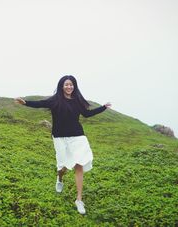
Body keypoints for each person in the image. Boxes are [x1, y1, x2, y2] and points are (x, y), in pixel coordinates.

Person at [15, 75, 111, 215]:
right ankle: (60, 178)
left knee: (79, 163)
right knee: (63, 167)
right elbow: (41, 103)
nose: (69, 87)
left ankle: (79, 200)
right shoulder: (55, 100)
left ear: (74, 86)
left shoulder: (77, 100)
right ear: (62, 86)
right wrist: (25, 103)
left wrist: (103, 108)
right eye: (66, 84)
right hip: (60, 137)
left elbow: (87, 114)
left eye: (71, 85)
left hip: (78, 136)